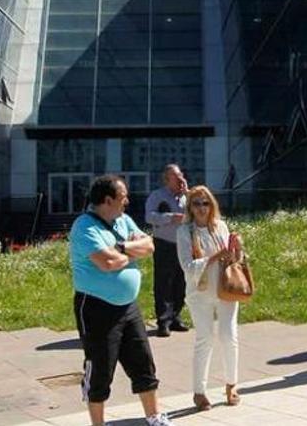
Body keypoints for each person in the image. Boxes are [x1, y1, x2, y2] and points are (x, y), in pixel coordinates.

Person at [70, 175, 172, 426]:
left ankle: (154, 416)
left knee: (143, 363)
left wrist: (122, 248)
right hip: (96, 308)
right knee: (101, 371)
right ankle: (98, 423)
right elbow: (107, 263)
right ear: (107, 200)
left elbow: (149, 245)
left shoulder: (123, 221)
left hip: (129, 307)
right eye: (123, 196)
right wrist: (130, 252)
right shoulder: (84, 227)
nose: (127, 201)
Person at [175, 185, 242, 411]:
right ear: (190, 208)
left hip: (225, 289)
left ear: (212, 205)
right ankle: (199, 392)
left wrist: (237, 250)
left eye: (206, 203)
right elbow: (187, 266)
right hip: (199, 293)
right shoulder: (185, 232)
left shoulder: (220, 226)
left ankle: (231, 384)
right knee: (204, 339)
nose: (202, 208)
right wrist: (214, 257)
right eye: (197, 204)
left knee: (228, 336)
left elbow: (233, 259)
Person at [145, 164, 190, 337]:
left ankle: (176, 317)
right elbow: (149, 216)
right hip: (164, 243)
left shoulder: (187, 197)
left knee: (181, 281)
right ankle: (163, 321)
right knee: (164, 282)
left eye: (181, 174)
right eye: (175, 176)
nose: (180, 178)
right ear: (166, 179)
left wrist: (188, 194)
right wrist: (170, 218)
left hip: (184, 244)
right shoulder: (157, 196)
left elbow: (200, 211)